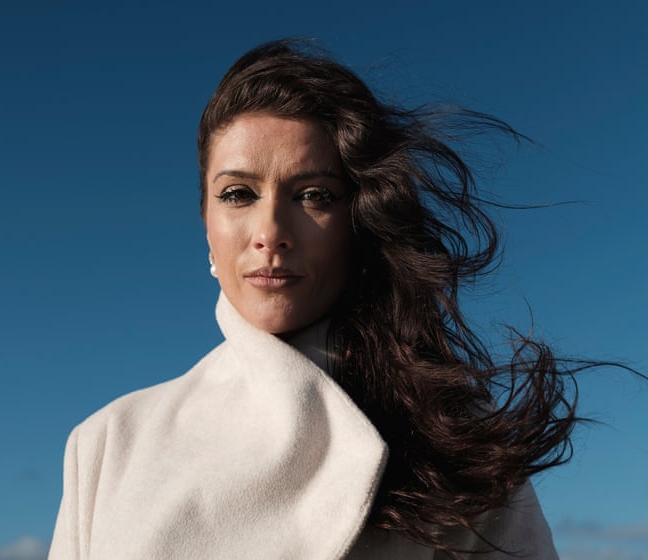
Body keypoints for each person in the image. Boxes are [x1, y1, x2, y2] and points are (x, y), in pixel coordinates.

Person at [48, 40, 575, 559]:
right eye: (238, 194)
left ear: (357, 220)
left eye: (313, 196)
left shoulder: (450, 427)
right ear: (206, 222)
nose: (271, 233)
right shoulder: (106, 443)